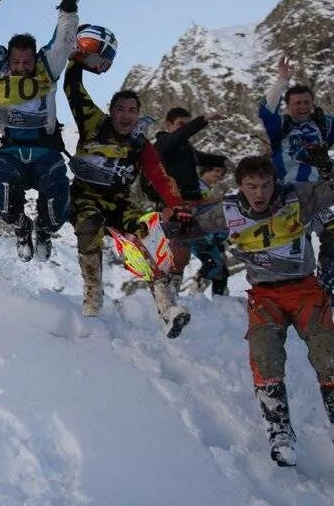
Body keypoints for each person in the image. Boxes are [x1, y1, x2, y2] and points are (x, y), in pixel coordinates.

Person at [174, 151, 334, 468]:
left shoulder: (298, 198)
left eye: (266, 185)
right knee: (264, 358)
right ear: (240, 186)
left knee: (329, 354)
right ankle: (279, 434)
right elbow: (190, 228)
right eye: (252, 186)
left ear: (274, 182)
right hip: (264, 295)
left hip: (305, 288)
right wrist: (178, 225)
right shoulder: (228, 211)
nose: (260, 193)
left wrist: (326, 164)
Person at [64, 69, 188, 333]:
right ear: (111, 111)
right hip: (84, 197)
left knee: (148, 232)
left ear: (138, 115)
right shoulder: (93, 123)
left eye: (132, 110)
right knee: (90, 224)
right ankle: (92, 293)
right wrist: (75, 61)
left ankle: (167, 308)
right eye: (120, 109)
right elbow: (73, 90)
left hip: (119, 203)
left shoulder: (140, 144)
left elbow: (160, 176)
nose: (126, 115)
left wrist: (176, 205)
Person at [0, 0, 83, 262]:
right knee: (4, 197)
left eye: (26, 61)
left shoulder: (48, 67)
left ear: (35, 58)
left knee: (57, 204)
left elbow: (63, 41)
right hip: (9, 151)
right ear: (8, 59)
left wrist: (68, 8)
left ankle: (45, 231)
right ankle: (23, 228)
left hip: (45, 150)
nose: (21, 66)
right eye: (16, 61)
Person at [257, 55, 334, 294]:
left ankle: (323, 288)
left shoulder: (324, 125)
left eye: (306, 103)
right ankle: (300, 290)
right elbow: (265, 110)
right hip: (288, 196)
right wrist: (281, 80)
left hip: (318, 193)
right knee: (299, 243)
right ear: (288, 107)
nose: (302, 107)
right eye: (297, 103)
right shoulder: (281, 126)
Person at [143, 107, 228, 293]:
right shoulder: (163, 143)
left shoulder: (185, 147)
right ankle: (169, 294)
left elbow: (202, 158)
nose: (184, 129)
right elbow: (175, 139)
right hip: (175, 207)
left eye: (187, 125)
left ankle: (179, 291)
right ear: (168, 125)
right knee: (180, 254)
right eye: (181, 124)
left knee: (197, 253)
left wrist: (224, 161)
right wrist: (203, 119)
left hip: (195, 205)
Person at [186, 154, 231, 296]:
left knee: (221, 268)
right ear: (206, 169)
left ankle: (220, 298)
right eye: (216, 171)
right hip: (198, 234)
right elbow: (190, 208)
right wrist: (211, 202)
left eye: (222, 173)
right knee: (215, 264)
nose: (219, 175)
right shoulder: (195, 185)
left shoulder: (207, 189)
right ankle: (197, 288)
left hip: (209, 234)